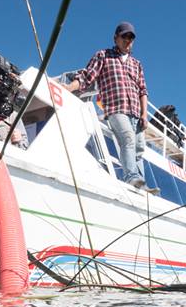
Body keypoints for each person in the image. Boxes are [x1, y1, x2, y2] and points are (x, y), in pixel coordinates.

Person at [66, 22, 157, 193]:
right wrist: (69, 88)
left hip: (136, 112)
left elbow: (143, 90)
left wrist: (144, 114)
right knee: (128, 138)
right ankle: (131, 177)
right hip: (116, 108)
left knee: (139, 149)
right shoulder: (103, 56)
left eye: (131, 38)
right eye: (124, 36)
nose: (128, 41)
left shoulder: (137, 64)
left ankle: (141, 186)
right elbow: (87, 77)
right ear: (116, 38)